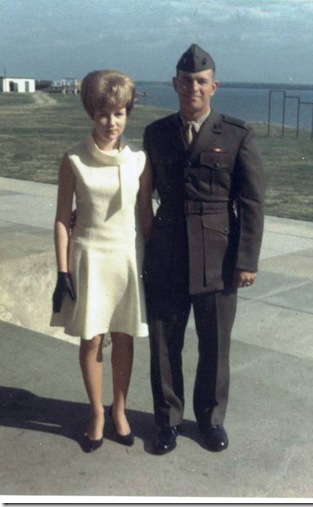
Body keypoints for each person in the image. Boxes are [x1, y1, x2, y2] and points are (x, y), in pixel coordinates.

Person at [143, 44, 265, 455]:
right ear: (174, 84)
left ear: (214, 86)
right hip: (166, 252)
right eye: (185, 81)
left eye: (200, 81)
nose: (192, 87)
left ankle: (210, 421)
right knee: (164, 344)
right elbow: (140, 193)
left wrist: (246, 261)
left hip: (219, 255)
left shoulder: (235, 134)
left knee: (214, 346)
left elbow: (251, 202)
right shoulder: (156, 133)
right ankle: (167, 422)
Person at [50, 70, 153, 453]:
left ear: (128, 114)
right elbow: (63, 218)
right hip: (89, 259)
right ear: (91, 114)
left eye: (119, 113)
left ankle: (119, 409)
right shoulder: (74, 159)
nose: (112, 122)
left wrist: (155, 259)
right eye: (103, 114)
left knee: (125, 336)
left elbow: (145, 217)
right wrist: (62, 271)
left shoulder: (139, 160)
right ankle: (96, 412)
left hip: (127, 258)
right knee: (92, 339)